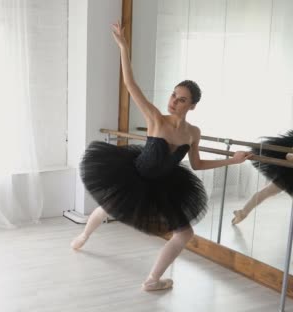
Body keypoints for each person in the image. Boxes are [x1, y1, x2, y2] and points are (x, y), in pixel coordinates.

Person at [70, 21, 252, 291]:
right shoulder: (156, 118)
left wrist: (233, 160)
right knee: (109, 206)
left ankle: (153, 279)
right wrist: (123, 47)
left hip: (165, 185)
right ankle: (85, 234)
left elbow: (198, 164)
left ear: (192, 105)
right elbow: (130, 84)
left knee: (185, 234)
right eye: (173, 95)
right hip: (135, 175)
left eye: (181, 99)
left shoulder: (193, 133)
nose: (174, 101)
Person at [231, 130, 293, 225]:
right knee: (266, 192)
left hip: (288, 176)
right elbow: (289, 156)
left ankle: (242, 213)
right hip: (289, 177)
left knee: (266, 192)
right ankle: (242, 213)